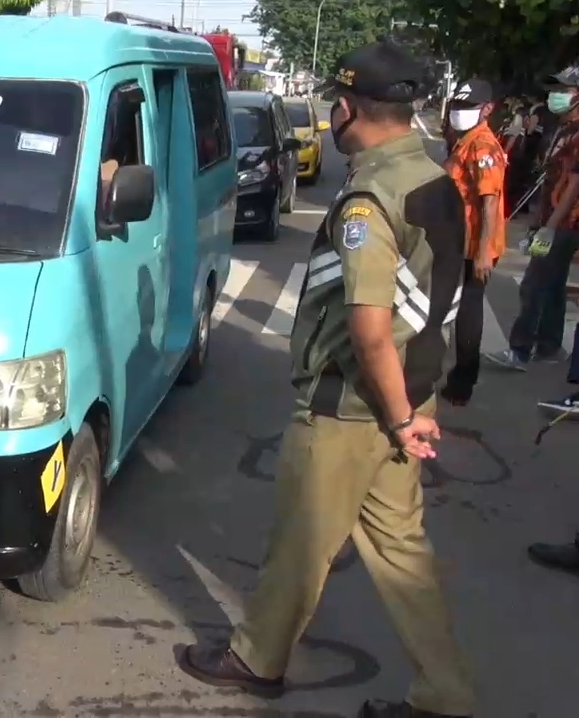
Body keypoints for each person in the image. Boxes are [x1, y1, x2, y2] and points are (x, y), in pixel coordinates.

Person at [175, 42, 475, 718]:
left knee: (301, 541)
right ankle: (446, 695)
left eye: (337, 104)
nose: (334, 115)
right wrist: (413, 408)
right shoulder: (432, 179)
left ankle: (257, 660)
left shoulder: (371, 199)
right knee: (403, 555)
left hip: (354, 404)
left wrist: (398, 417)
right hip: (405, 393)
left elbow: (370, 330)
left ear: (350, 110)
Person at [483, 64, 579, 371]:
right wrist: (537, 223)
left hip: (565, 222)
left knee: (534, 283)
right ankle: (549, 345)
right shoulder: (563, 130)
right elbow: (549, 179)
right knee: (553, 283)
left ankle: (520, 349)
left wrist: (549, 228)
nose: (555, 95)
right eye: (555, 89)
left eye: (564, 90)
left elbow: (574, 185)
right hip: (552, 219)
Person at [440, 79, 507, 406]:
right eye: (457, 105)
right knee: (459, 308)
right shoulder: (465, 141)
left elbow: (489, 201)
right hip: (459, 241)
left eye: (468, 106)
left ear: (487, 109)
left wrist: (482, 252)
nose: (459, 112)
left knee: (468, 312)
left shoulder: (483, 146)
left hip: (473, 246)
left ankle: (463, 381)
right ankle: (459, 377)